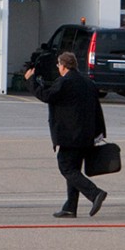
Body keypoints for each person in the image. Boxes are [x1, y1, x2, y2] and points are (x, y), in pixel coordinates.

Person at [25, 50, 107, 218]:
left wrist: (31, 81)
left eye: (58, 65)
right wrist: (99, 132)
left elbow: (46, 95)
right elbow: (97, 109)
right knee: (74, 170)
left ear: (63, 66)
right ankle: (70, 207)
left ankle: (95, 193)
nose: (58, 67)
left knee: (66, 167)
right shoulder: (87, 82)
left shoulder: (65, 82)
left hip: (71, 136)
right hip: (86, 135)